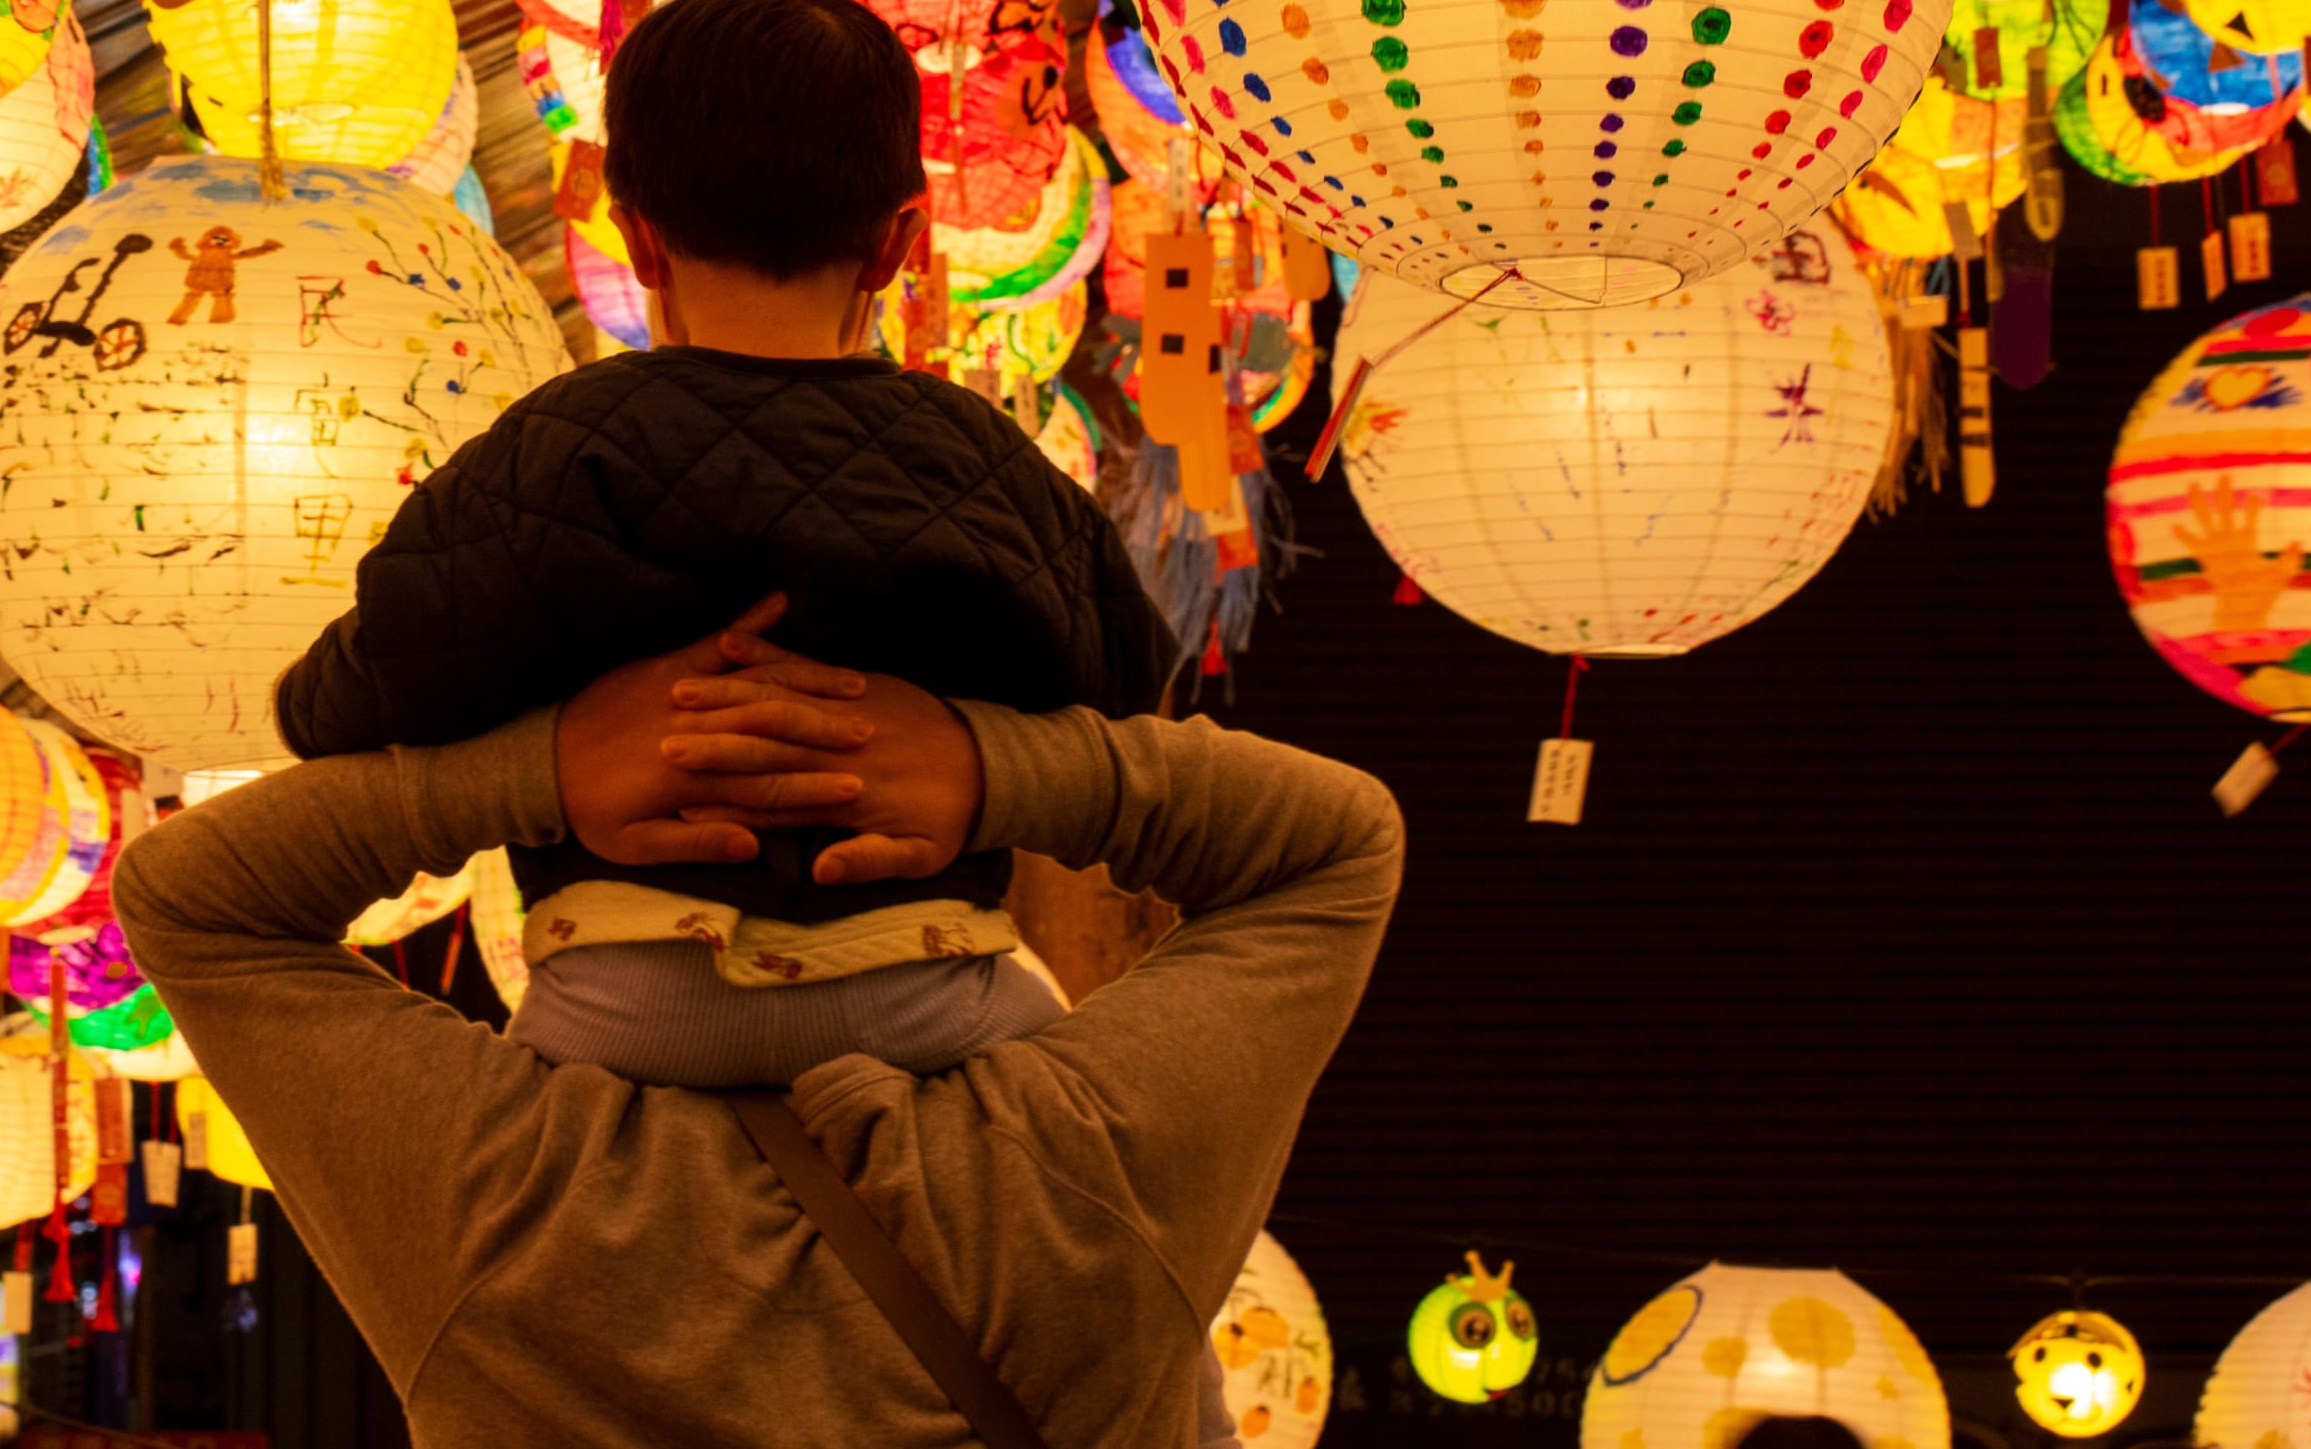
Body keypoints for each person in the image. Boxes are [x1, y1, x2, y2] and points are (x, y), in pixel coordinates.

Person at [117, 606, 1402, 1440]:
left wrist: (537, 768)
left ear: (550, 927)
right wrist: (990, 765)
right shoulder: (1078, 1177)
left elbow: (194, 895)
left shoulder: (514, 1208)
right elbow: (1333, 848)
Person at [270, 0, 1178, 1088]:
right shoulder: (988, 464)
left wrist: (549, 741)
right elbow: (1135, 698)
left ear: (637, 238)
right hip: (936, 997)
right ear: (901, 240)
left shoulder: (553, 451)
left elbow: (337, 709)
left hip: (620, 1010)